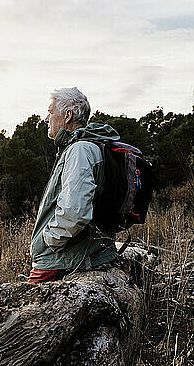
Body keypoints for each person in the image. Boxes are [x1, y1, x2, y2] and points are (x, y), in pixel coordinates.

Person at [29, 87, 121, 283]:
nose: (46, 118)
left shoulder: (79, 150)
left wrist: (47, 241)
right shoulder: (90, 146)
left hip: (63, 260)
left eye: (50, 111)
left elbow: (75, 211)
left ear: (68, 115)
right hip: (81, 254)